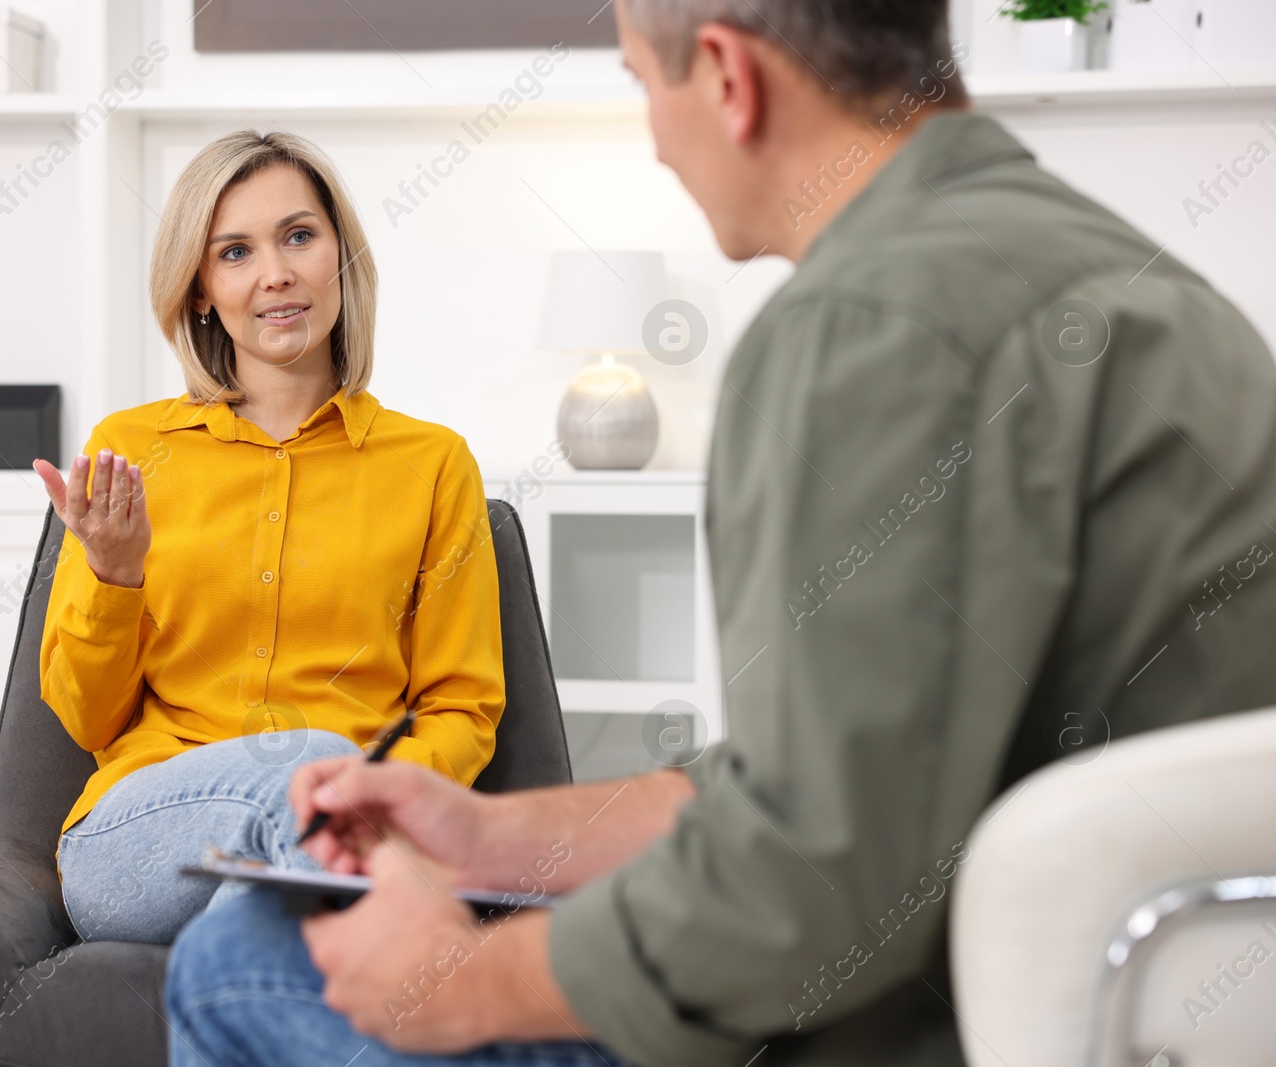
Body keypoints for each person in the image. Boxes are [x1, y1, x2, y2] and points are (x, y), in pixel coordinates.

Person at [163, 1, 1276, 1064]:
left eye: (645, 85)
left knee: (234, 961)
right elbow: (806, 786)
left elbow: (809, 886)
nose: (655, 141)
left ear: (731, 78)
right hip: (1132, 988)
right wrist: (480, 832)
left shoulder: (872, 324)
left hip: (943, 1023)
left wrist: (456, 975)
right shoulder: (1124, 279)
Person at [29, 130, 505, 946]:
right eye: (236, 251)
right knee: (308, 766)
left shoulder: (434, 464)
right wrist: (113, 576)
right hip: (142, 841)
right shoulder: (131, 450)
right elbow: (85, 718)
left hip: (341, 835)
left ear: (340, 260)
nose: (276, 272)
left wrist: (364, 794)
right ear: (202, 289)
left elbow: (462, 707)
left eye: (298, 236)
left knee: (283, 887)